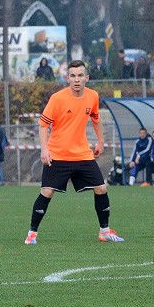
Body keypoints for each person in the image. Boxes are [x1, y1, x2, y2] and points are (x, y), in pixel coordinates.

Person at [25, 59, 124, 245]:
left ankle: (104, 231)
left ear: (87, 77)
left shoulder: (93, 96)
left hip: (82, 154)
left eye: (80, 76)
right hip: (58, 154)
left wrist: (101, 141)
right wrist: (44, 149)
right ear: (67, 78)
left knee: (101, 188)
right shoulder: (57, 98)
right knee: (47, 192)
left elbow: (95, 119)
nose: (76, 79)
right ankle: (32, 233)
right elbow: (43, 125)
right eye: (73, 76)